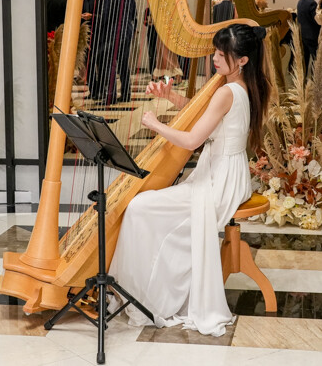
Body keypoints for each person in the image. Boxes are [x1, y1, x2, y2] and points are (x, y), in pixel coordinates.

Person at [109, 24, 270, 337]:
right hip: (229, 173)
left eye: (221, 55)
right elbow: (208, 114)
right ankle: (150, 282)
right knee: (145, 207)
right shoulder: (246, 85)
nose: (214, 59)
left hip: (218, 182)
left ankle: (149, 291)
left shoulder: (226, 91)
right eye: (215, 52)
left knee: (139, 207)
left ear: (242, 60)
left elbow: (193, 139)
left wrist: (156, 124)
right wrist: (172, 97)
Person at [88, 0, 137, 104]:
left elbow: (105, 16)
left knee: (109, 65)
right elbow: (133, 14)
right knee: (123, 65)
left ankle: (111, 96)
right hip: (126, 33)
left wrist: (97, 24)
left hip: (112, 34)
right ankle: (126, 94)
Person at [296, 0, 320, 77]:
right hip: (312, 35)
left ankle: (303, 81)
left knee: (304, 60)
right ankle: (315, 81)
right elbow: (316, 20)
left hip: (302, 34)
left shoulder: (300, 2)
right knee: (315, 59)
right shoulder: (312, 3)